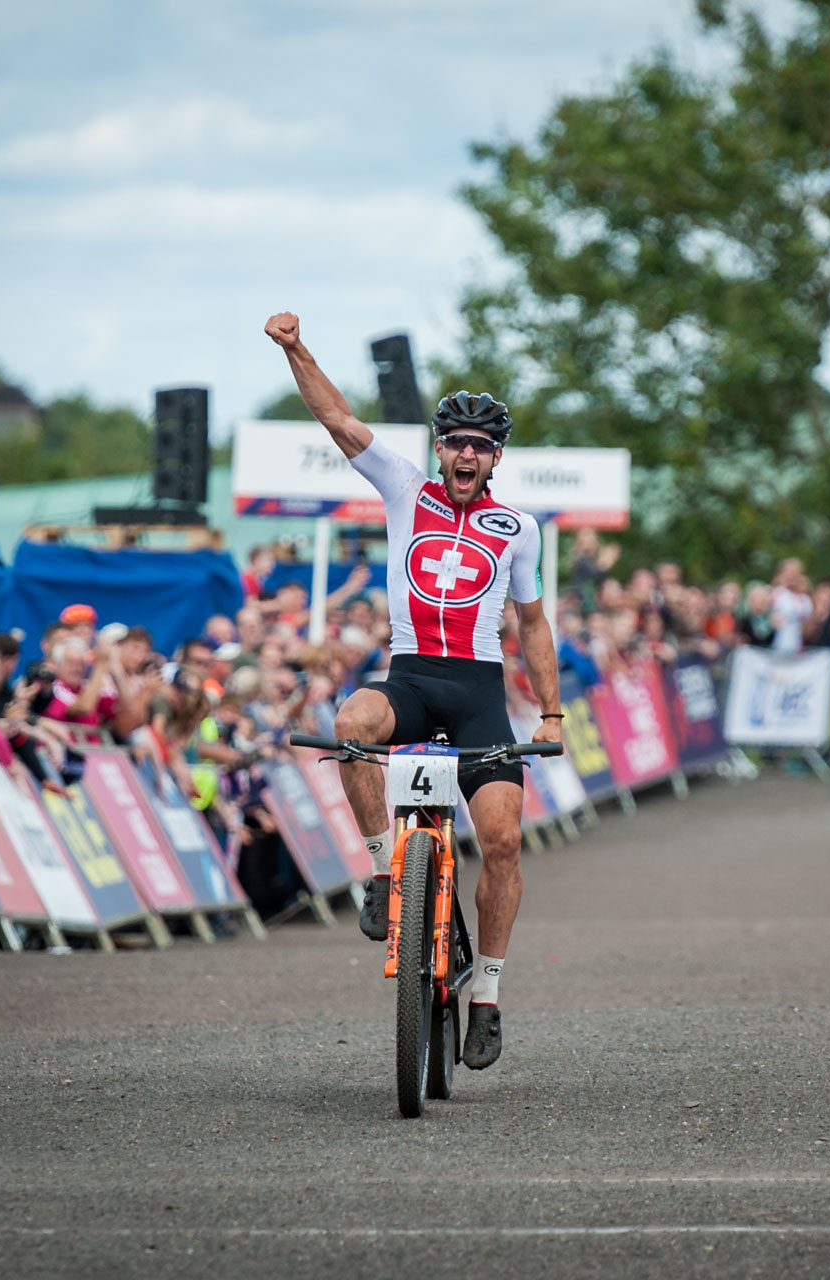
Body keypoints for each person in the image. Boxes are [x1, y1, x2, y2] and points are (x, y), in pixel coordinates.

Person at [268, 310, 563, 1073]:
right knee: (352, 722)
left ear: (496, 457)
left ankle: (488, 995)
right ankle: (379, 874)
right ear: (439, 449)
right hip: (411, 678)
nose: (467, 454)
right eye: (456, 442)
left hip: (477, 696)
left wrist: (553, 712)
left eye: (481, 445)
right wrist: (298, 348)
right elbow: (335, 415)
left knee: (501, 841)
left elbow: (532, 626)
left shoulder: (517, 528)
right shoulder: (405, 487)